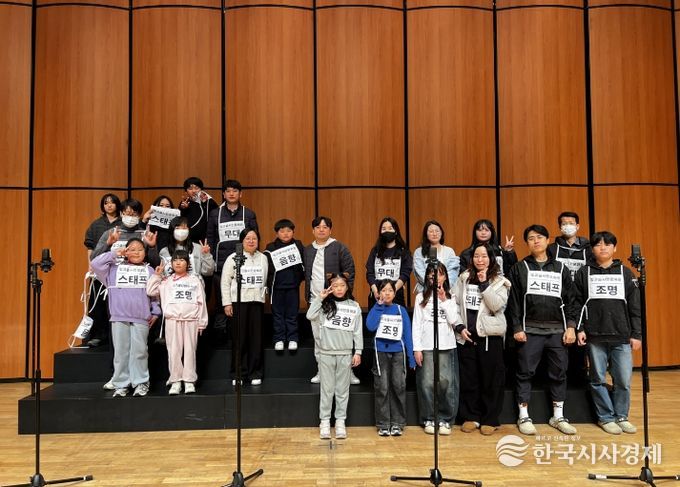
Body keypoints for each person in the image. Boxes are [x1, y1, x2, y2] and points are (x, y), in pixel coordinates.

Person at [508, 224, 579, 435]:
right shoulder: (519, 268)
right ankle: (523, 416)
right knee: (525, 373)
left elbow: (571, 301)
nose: (536, 241)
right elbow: (513, 302)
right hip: (529, 330)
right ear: (527, 243)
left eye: (540, 237)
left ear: (548, 240)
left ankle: (558, 416)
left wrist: (571, 327)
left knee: (559, 373)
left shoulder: (560, 268)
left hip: (557, 331)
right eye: (531, 238)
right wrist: (517, 327)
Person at [574, 231, 641, 435]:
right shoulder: (584, 272)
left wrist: (636, 334)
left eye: (607, 244)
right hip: (595, 336)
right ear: (592, 249)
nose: (602, 247)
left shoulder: (625, 273)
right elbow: (576, 304)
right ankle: (606, 417)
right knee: (597, 379)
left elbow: (635, 306)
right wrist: (580, 328)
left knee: (623, 381)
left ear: (614, 248)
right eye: (598, 244)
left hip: (622, 336)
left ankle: (622, 416)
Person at [90, 238, 160, 397]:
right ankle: (121, 384)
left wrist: (156, 312)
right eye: (132, 249)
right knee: (121, 352)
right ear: (126, 251)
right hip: (119, 316)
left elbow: (155, 294)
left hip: (141, 317)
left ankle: (141, 383)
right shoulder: (113, 269)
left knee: (140, 352)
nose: (136, 252)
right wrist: (115, 253)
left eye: (140, 249)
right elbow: (95, 264)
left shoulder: (149, 270)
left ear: (145, 253)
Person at [453, 243, 511, 435]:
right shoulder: (464, 278)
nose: (480, 260)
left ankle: (490, 418)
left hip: (489, 337)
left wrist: (484, 283)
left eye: (484, 256)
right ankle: (472, 416)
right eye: (476, 256)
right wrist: (459, 327)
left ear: (491, 259)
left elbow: (496, 306)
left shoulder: (501, 282)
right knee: (469, 379)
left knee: (491, 379)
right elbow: (455, 303)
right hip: (467, 336)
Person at [306, 273, 363, 440]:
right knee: (327, 389)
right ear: (330, 287)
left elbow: (357, 331)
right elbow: (309, 315)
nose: (339, 289)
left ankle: (340, 421)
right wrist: (320, 298)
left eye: (342, 285)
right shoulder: (324, 305)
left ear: (347, 287)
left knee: (342, 390)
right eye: (335, 286)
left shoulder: (354, 306)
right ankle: (324, 421)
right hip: (326, 353)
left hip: (345, 353)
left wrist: (358, 351)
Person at [303, 216, 357, 384]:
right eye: (318, 227)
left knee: (343, 337)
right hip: (316, 300)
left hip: (337, 302)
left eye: (325, 227)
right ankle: (321, 371)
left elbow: (350, 272)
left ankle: (349, 372)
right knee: (318, 338)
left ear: (330, 230)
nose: (321, 229)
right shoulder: (307, 250)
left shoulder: (339, 247)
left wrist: (343, 295)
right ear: (313, 230)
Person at [147, 249, 209, 395]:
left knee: (190, 351)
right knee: (173, 351)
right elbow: (150, 291)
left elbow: (201, 302)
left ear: (187, 263)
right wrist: (157, 275)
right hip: (172, 320)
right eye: (175, 260)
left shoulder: (194, 280)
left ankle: (189, 381)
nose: (178, 263)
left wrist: (202, 322)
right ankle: (175, 381)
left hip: (191, 320)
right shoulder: (166, 281)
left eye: (181, 260)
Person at [412, 262, 461, 436]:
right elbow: (416, 324)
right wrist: (417, 348)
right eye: (432, 275)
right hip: (426, 345)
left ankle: (446, 419)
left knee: (447, 383)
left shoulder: (451, 296)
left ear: (445, 276)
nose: (436, 278)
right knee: (426, 383)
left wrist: (444, 300)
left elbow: (454, 320)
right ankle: (429, 418)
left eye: (439, 274)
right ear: (427, 278)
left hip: (447, 345)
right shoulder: (420, 297)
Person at [365, 279, 415, 436]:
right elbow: (370, 326)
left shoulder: (400, 310)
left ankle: (398, 423)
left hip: (398, 352)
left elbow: (407, 334)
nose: (387, 293)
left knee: (398, 386)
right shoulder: (376, 308)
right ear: (379, 293)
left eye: (390, 290)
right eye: (384, 290)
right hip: (380, 352)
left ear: (395, 293)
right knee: (382, 387)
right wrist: (378, 306)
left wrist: (411, 357)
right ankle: (383, 423)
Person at [207, 179, 258, 332]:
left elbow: (255, 238)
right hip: (220, 265)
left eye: (235, 191)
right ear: (223, 194)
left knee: (241, 299)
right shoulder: (215, 214)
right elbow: (210, 239)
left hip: (244, 265)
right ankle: (221, 334)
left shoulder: (249, 214)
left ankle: (239, 333)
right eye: (228, 191)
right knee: (221, 301)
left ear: (240, 194)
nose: (231, 194)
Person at [220, 228, 268, 385]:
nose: (251, 241)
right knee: (239, 339)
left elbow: (265, 280)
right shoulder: (233, 258)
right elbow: (225, 282)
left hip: (257, 303)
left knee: (256, 339)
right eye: (248, 238)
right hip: (238, 302)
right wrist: (227, 302)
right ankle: (238, 374)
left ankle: (255, 373)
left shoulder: (263, 258)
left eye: (254, 238)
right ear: (241, 241)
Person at [83, 193, 122, 348]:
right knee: (97, 303)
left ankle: (115, 336)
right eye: (106, 203)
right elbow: (90, 247)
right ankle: (98, 335)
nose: (109, 205)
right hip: (100, 268)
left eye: (112, 202)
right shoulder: (96, 224)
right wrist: (90, 265)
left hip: (118, 268)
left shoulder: (123, 223)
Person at [264, 219, 305, 351]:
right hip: (276, 288)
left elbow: (304, 264)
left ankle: (293, 338)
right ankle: (279, 339)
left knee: (292, 314)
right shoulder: (270, 247)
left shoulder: (298, 245)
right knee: (278, 315)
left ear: (293, 232)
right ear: (277, 233)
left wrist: (299, 279)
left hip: (293, 286)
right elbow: (266, 268)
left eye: (289, 231)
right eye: (282, 231)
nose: (286, 234)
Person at [91, 198, 161, 268]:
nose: (130, 217)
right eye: (128, 214)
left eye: (134, 214)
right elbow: (93, 258)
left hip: (137, 272)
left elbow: (156, 264)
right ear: (121, 214)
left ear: (139, 216)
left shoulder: (146, 235)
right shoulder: (111, 233)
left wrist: (152, 247)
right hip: (113, 272)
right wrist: (107, 244)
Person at [365, 217, 413, 307]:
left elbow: (405, 273)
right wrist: (375, 291)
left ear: (396, 231)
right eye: (384, 229)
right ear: (380, 232)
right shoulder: (375, 251)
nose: (387, 231)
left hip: (396, 295)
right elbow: (370, 273)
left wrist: (392, 291)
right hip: (377, 295)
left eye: (390, 228)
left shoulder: (403, 251)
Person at [159, 216, 215, 285]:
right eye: (177, 228)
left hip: (194, 288)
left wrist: (206, 255)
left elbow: (208, 272)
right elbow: (161, 274)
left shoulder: (197, 248)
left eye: (184, 228)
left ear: (188, 230)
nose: (181, 231)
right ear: (172, 230)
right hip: (171, 289)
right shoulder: (164, 251)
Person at [413, 220, 460, 294]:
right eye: (431, 231)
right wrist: (432, 284)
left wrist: (443, 286)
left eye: (437, 231)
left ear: (441, 233)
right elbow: (419, 272)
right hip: (425, 292)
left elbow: (452, 272)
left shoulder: (449, 251)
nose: (434, 234)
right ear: (426, 234)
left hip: (445, 291)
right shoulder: (419, 252)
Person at [547, 211, 593, 280]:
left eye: (571, 223)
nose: (568, 226)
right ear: (560, 227)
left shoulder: (588, 249)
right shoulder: (552, 249)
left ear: (577, 226)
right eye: (564, 224)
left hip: (580, 286)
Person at [179, 176, 219, 244]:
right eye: (190, 188)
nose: (194, 191)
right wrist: (184, 209)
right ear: (186, 191)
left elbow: (216, 216)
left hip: (205, 239)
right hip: (188, 239)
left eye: (197, 188)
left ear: (201, 189)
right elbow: (180, 220)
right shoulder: (185, 202)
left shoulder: (209, 202)